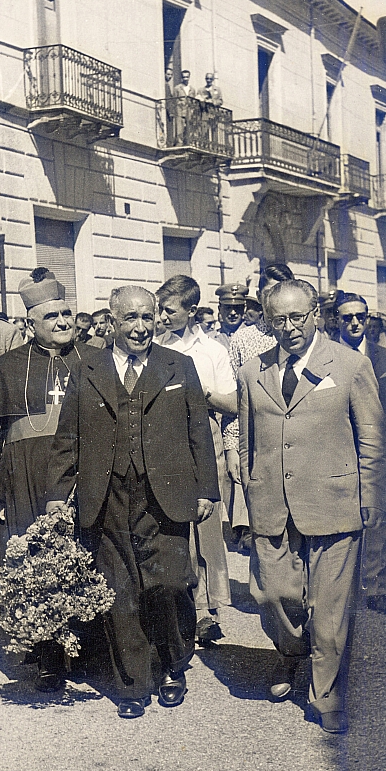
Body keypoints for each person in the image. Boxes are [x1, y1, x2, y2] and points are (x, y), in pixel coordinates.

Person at [45, 286, 219, 719]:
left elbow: (199, 430)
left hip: (168, 493)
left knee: (170, 584)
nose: (141, 327)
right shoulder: (89, 367)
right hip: (108, 494)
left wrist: (206, 490)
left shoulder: (179, 365)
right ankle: (134, 682)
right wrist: (56, 494)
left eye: (148, 317)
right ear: (114, 320)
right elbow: (68, 434)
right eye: (131, 319)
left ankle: (173, 665)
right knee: (121, 590)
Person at [238, 279, 386, 734]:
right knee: (272, 595)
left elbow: (373, 438)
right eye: (278, 319)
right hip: (272, 505)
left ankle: (326, 693)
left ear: (315, 316)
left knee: (329, 610)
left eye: (297, 317)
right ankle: (290, 653)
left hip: (335, 504)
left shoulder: (349, 364)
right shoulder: (252, 371)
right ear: (267, 321)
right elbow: (247, 445)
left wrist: (373, 499)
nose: (289, 328)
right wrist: (249, 503)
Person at [0, 268, 84, 690]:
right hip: (27, 480)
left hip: (83, 474)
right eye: (51, 316)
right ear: (29, 324)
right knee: (36, 561)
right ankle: (48, 656)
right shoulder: (5, 368)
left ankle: (89, 646)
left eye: (66, 313)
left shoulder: (93, 360)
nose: (61, 322)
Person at [156, 275, 237, 644]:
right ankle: (180, 605)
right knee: (171, 524)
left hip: (206, 439)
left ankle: (207, 609)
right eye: (161, 309)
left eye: (170, 310)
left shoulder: (213, 351)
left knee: (206, 528)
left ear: (191, 311)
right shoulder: (154, 344)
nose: (162, 316)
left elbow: (234, 403)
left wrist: (198, 392)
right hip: (166, 442)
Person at [223, 263, 295, 553]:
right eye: (269, 291)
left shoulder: (305, 335)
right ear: (259, 294)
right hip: (259, 448)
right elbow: (235, 401)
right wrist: (231, 449)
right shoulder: (243, 339)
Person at [336, 292, 386, 615]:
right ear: (337, 321)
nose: (356, 323)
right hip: (340, 446)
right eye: (348, 318)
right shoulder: (328, 356)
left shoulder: (385, 357)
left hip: (377, 445)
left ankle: (377, 586)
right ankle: (343, 587)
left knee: (379, 514)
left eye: (361, 316)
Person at [213, 282, 247, 351]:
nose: (233, 313)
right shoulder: (210, 338)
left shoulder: (253, 336)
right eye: (227, 308)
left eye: (237, 307)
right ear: (219, 309)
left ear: (244, 309)